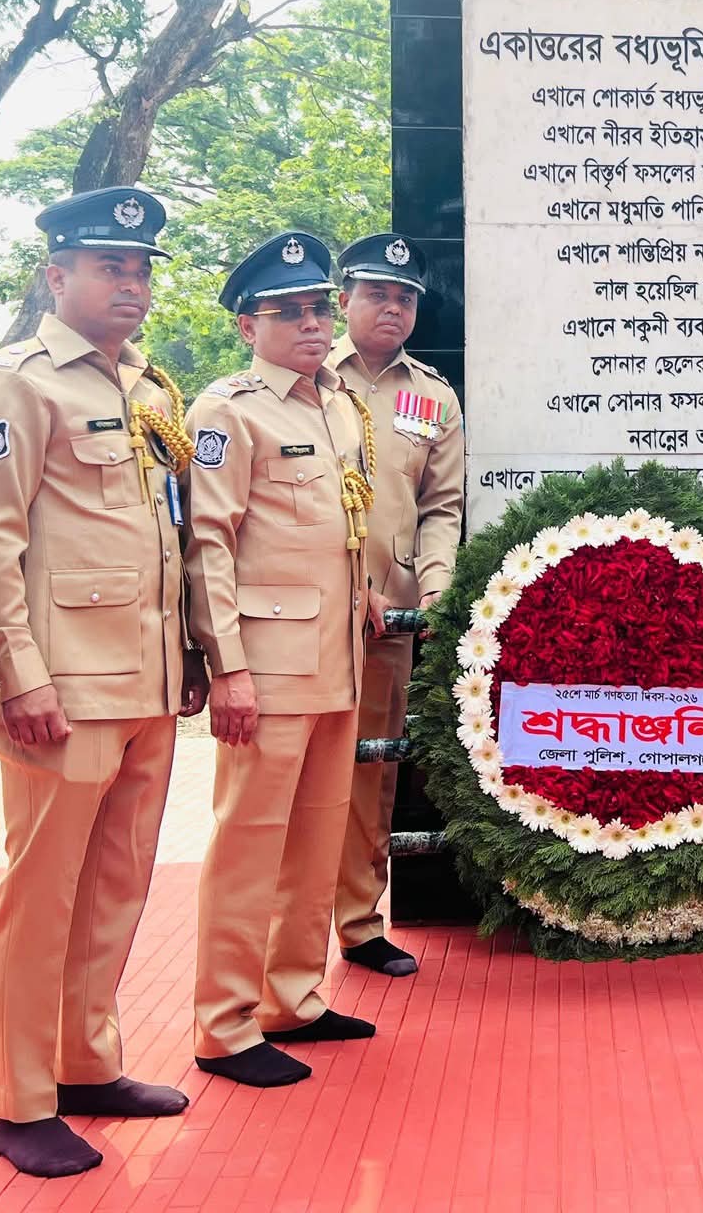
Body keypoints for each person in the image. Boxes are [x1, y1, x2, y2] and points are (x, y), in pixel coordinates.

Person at [0, 186, 205, 1177]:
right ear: (55, 275)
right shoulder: (18, 383)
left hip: (142, 681)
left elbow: (165, 535)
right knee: (41, 893)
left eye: (141, 269)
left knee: (112, 887)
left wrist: (186, 655)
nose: (131, 286)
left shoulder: (147, 391)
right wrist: (16, 674)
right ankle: (19, 1100)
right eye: (110, 267)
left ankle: (83, 1062)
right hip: (60, 685)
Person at [186, 232, 381, 1088]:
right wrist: (226, 665)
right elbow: (208, 544)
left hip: (336, 656)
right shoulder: (227, 411)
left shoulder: (337, 404)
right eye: (287, 312)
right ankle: (223, 1024)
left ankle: (292, 998)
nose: (309, 323)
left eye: (317, 308)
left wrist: (367, 587)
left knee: (314, 838)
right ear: (245, 325)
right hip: (265, 663)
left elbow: (345, 519)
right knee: (249, 844)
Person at [330, 233, 466, 978]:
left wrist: (437, 586)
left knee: (371, 772)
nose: (393, 307)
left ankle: (357, 921)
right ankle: (275, 935)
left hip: (393, 619)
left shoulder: (432, 395)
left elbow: (441, 506)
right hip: (311, 613)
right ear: (344, 297)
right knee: (298, 775)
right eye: (378, 293)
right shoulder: (308, 376)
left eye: (406, 296)